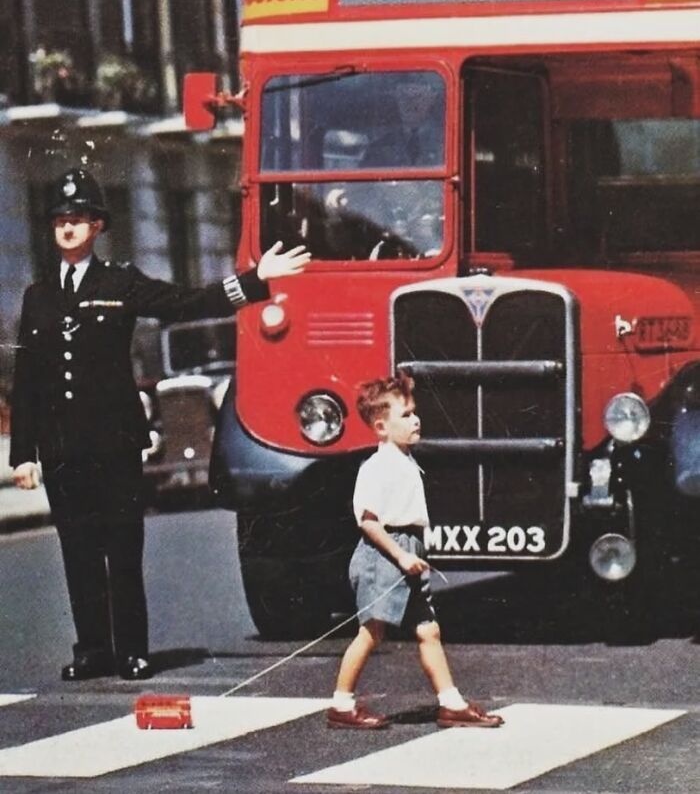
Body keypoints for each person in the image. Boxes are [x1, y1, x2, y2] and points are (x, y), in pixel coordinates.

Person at [10, 168, 310, 682]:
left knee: (121, 551)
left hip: (114, 444)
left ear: (98, 226)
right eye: (60, 220)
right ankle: (91, 651)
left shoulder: (120, 283)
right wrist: (23, 454)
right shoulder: (37, 296)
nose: (67, 229)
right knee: (78, 553)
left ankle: (131, 649)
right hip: (63, 450)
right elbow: (29, 380)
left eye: (78, 220)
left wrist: (257, 282)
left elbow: (186, 303)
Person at [327, 372, 504, 730]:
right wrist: (401, 555)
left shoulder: (406, 461)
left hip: (408, 548)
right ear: (380, 427)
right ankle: (342, 705)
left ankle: (450, 703)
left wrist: (416, 549)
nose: (416, 419)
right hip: (384, 554)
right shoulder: (376, 467)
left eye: (414, 412)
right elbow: (368, 521)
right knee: (372, 631)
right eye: (405, 415)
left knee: (428, 630)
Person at [361, 74, 444, 169]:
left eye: (417, 97)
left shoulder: (444, 142)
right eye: (404, 97)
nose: (410, 104)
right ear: (397, 99)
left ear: (432, 98)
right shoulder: (379, 148)